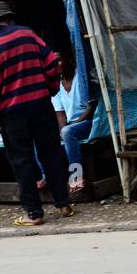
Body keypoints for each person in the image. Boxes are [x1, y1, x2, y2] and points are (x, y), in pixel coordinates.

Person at [0, 2, 76, 227]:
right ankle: (64, 205)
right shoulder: (28, 33)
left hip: (11, 112)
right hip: (40, 104)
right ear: (10, 17)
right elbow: (53, 63)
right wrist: (50, 89)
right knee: (51, 153)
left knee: (21, 161)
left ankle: (34, 213)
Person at [52, 52, 96, 195]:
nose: (55, 64)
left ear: (69, 60)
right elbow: (60, 113)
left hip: (90, 122)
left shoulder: (81, 78)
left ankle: (77, 177)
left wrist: (70, 127)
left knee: (68, 132)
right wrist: (63, 129)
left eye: (58, 60)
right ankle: (46, 176)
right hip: (71, 126)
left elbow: (91, 106)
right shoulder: (56, 85)